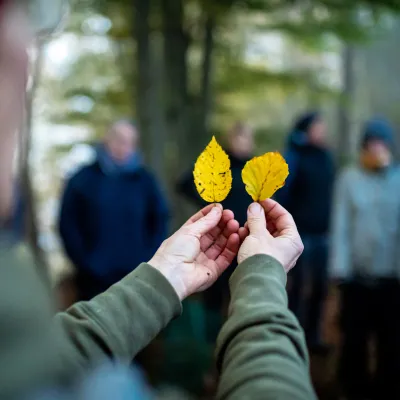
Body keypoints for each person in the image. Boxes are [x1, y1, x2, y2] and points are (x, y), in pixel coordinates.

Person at [0, 2, 316, 399]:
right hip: (97, 273)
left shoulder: (22, 352)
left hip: (166, 264)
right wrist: (265, 277)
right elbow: (70, 223)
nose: (24, 57)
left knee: (154, 348)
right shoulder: (84, 179)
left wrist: (159, 271)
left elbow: (61, 354)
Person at [59, 120, 169, 300]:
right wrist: (86, 262)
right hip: (92, 280)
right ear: (106, 140)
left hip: (137, 277)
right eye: (119, 139)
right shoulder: (82, 179)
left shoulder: (146, 181)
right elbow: (68, 224)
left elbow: (159, 220)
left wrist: (148, 258)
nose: (124, 146)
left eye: (130, 142)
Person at [330, 118, 400, 400]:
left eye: (381, 144)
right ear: (363, 148)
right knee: (354, 339)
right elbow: (341, 225)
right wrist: (339, 269)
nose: (376, 150)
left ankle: (388, 387)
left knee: (392, 341)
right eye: (371, 145)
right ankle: (353, 389)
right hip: (357, 277)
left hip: (392, 279)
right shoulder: (349, 179)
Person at [177, 122, 255, 338]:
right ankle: (210, 342)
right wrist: (209, 201)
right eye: (240, 138)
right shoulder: (219, 164)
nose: (245, 143)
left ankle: (237, 340)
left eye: (248, 138)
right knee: (213, 293)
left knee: (242, 293)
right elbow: (184, 184)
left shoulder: (254, 169)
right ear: (231, 139)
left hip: (245, 241)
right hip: (218, 241)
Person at [275, 111, 335, 352]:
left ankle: (313, 336)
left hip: (323, 234)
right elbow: (283, 192)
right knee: (298, 286)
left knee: (320, 287)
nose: (323, 130)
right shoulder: (295, 156)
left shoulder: (326, 157)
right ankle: (292, 334)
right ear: (307, 130)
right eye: (318, 126)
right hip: (300, 233)